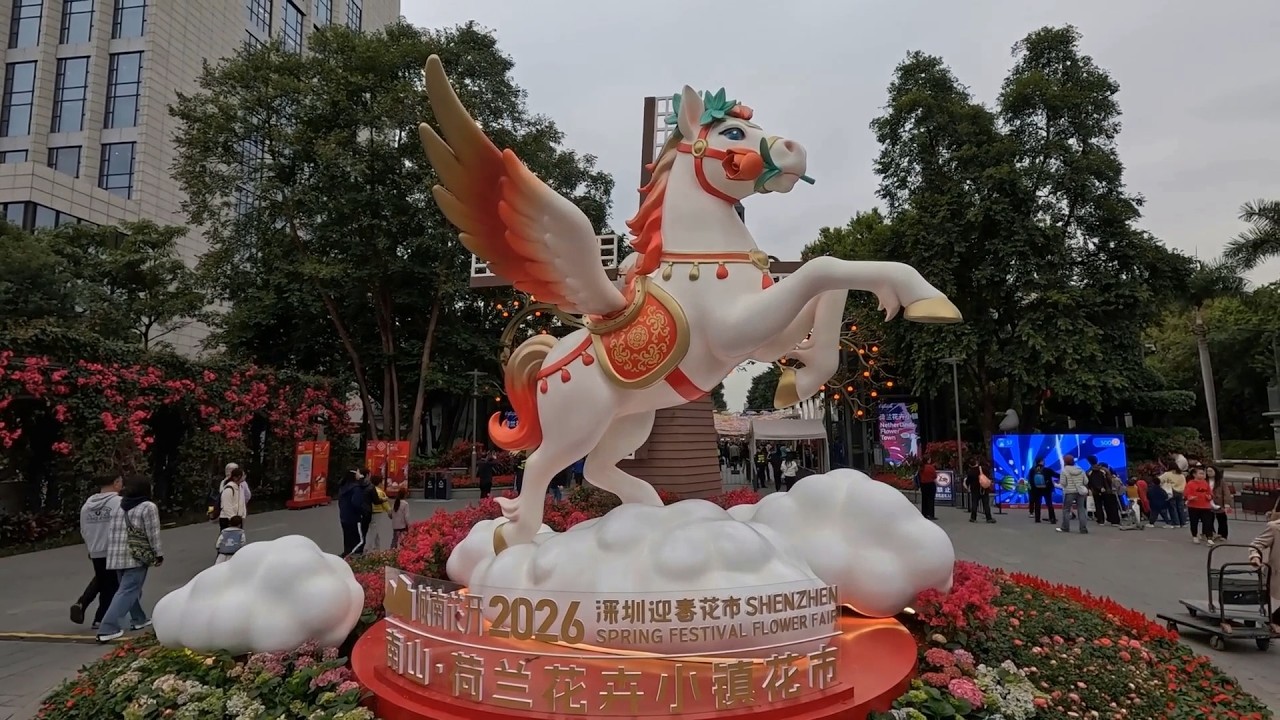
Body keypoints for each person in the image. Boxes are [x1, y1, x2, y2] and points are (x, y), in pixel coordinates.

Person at [96, 475, 163, 642]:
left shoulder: (119, 505)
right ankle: (107, 628)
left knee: (129, 589)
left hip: (116, 555)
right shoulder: (148, 506)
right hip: (136, 555)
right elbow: (152, 533)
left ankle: (139, 619)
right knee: (127, 591)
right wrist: (158, 553)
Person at [71, 474, 123, 629]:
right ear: (115, 483)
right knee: (111, 585)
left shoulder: (87, 505)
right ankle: (100, 618)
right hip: (113, 548)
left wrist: (90, 545)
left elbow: (83, 529)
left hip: (95, 549)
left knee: (102, 579)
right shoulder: (118, 503)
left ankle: (82, 602)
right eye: (120, 482)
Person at [1247, 513, 1280, 634]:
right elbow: (1257, 544)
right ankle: (1274, 620)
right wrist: (1255, 557)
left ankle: (1274, 619)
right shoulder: (1275, 527)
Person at [338, 468, 371, 557]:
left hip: (344, 517)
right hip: (354, 518)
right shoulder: (356, 489)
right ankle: (354, 556)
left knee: (348, 538)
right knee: (359, 540)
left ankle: (346, 554)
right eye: (358, 473)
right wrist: (362, 513)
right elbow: (357, 503)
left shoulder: (343, 487)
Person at [1056, 455, 1089, 534]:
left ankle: (1065, 527)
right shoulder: (1080, 470)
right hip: (1080, 492)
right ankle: (1083, 529)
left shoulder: (1064, 471)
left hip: (1069, 492)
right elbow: (1086, 482)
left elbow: (1063, 484)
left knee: (1066, 510)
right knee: (1081, 509)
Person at [1184, 467, 1215, 544]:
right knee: (1194, 522)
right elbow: (1186, 493)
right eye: (1200, 473)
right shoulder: (1190, 483)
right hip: (1193, 506)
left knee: (1208, 522)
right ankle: (1194, 536)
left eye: (1203, 473)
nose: (1202, 475)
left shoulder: (1205, 483)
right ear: (1194, 474)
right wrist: (1190, 497)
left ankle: (1209, 537)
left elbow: (1210, 493)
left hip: (1205, 506)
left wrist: (1210, 496)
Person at [1158, 460, 1187, 528]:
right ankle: (1183, 522)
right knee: (1180, 508)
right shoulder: (1181, 475)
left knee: (1172, 508)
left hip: (1171, 491)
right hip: (1180, 492)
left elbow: (1159, 480)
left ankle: (1175, 522)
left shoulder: (1167, 474)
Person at [965, 458, 994, 524]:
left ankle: (973, 518)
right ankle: (989, 518)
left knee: (975, 503)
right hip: (984, 489)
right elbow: (989, 476)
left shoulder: (971, 472)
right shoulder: (983, 469)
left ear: (970, 465)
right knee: (986, 504)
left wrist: (967, 486)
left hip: (975, 490)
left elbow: (968, 482)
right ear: (977, 463)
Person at [1028, 459, 1057, 524]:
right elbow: (1057, 475)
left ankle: (1037, 519)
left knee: (1037, 504)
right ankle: (1052, 518)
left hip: (1036, 490)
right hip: (1047, 489)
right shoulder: (1047, 470)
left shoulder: (1032, 470)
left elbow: (1030, 480)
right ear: (1041, 462)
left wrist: (1032, 490)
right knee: (1049, 504)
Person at [1208, 465, 1233, 542]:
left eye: (1210, 471)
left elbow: (1226, 492)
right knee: (1209, 519)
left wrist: (1227, 503)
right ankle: (1211, 533)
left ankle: (1223, 534)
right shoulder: (1205, 481)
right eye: (1207, 471)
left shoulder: (1221, 481)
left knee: (1222, 519)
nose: (1209, 473)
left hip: (1219, 502)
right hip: (1208, 502)